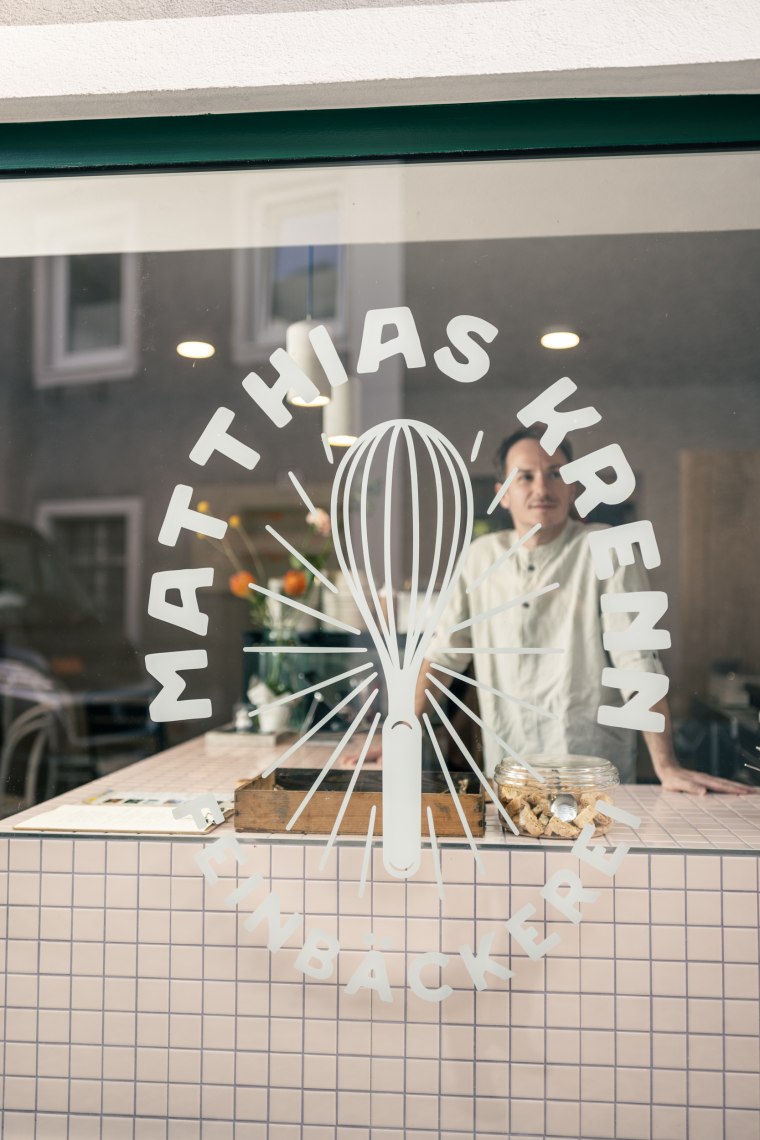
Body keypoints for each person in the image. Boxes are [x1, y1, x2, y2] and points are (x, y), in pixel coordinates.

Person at [411, 427, 752, 796]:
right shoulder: (479, 556)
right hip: (509, 771)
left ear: (573, 488)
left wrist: (666, 765)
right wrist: (398, 733)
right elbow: (443, 658)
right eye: (525, 476)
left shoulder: (609, 548)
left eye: (556, 473)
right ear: (503, 495)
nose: (542, 488)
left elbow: (636, 663)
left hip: (593, 774)